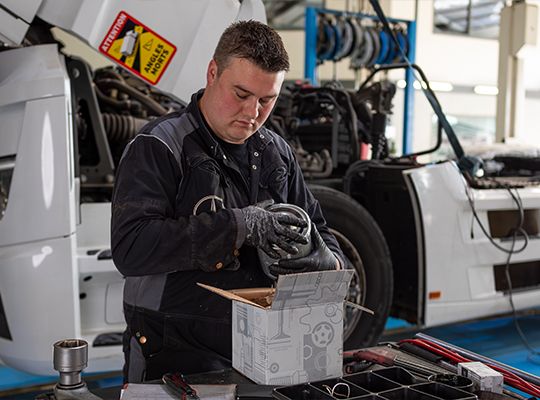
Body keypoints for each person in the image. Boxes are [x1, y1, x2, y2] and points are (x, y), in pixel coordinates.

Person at [111, 20, 346, 383]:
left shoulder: (276, 153)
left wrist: (327, 260)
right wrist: (240, 226)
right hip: (171, 353)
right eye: (241, 94)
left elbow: (320, 228)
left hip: (262, 350)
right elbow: (131, 249)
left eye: (267, 100)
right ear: (212, 72)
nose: (253, 113)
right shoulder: (159, 146)